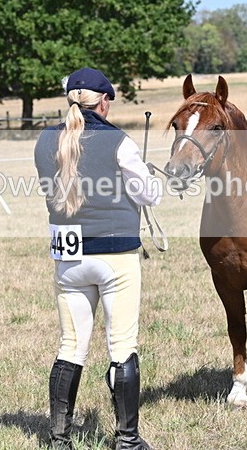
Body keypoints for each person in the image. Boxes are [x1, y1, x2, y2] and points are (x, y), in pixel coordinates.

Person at [34, 67, 161, 450]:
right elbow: (149, 195)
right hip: (114, 257)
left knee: (70, 346)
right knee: (121, 345)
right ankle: (126, 440)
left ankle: (59, 440)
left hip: (68, 257)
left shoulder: (44, 140)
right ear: (103, 102)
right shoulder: (118, 141)